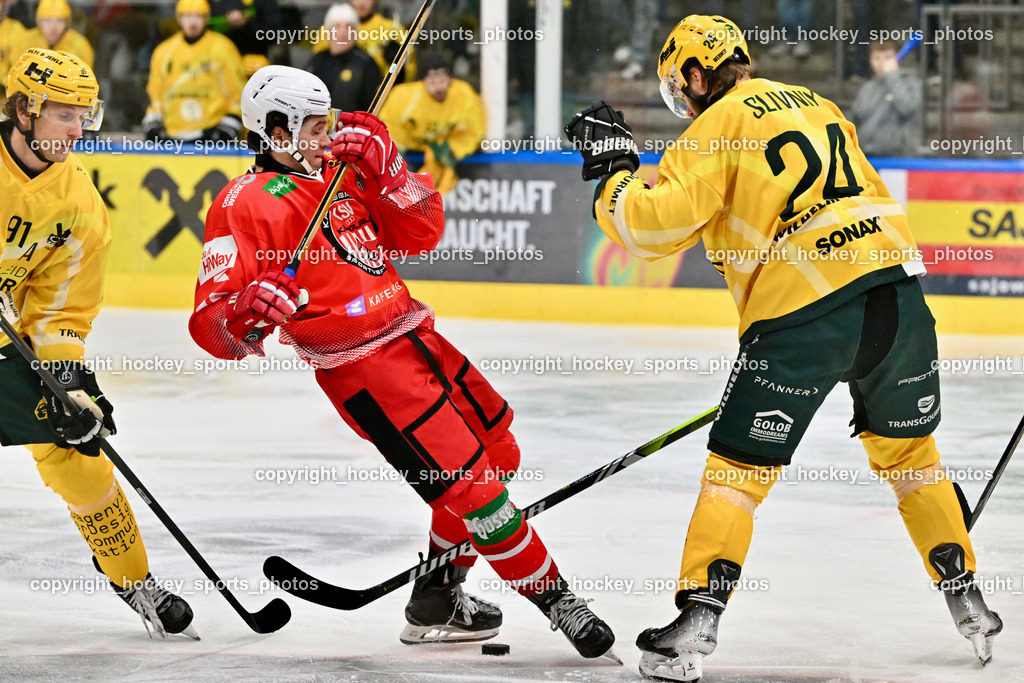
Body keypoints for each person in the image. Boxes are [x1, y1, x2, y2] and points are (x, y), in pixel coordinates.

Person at [565, 14, 1001, 682]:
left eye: (681, 87)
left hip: (803, 313)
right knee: (914, 456)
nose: (682, 101)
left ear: (695, 73)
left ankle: (699, 616)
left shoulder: (716, 125)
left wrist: (614, 171)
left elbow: (653, 228)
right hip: (900, 299)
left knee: (737, 473)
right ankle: (964, 587)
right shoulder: (818, 102)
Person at [188, 65, 616, 660]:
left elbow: (423, 234)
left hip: (417, 338)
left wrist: (388, 168)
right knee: (476, 491)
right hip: (364, 372)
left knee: (499, 452)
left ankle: (438, 597)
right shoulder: (243, 203)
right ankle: (558, 601)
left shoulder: (343, 175)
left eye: (327, 121)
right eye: (313, 125)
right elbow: (212, 328)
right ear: (276, 129)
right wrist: (245, 310)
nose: (326, 134)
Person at [1, 48, 196, 639]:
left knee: (76, 451)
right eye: (63, 112)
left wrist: (70, 384)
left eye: (84, 113)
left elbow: (62, 309)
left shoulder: (80, 204)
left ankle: (133, 579)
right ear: (23, 110)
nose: (78, 127)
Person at [379, 53, 484, 194]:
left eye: (443, 80)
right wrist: (397, 158)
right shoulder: (403, 97)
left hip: (442, 152)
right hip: (412, 152)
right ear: (422, 81)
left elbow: (476, 130)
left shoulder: (464, 95)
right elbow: (388, 127)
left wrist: (454, 149)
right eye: (433, 82)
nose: (439, 88)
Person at [142, 0, 244, 143]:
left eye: (198, 16)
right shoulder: (164, 51)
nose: (193, 22)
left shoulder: (223, 48)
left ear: (206, 18)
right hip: (171, 131)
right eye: (187, 16)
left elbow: (236, 91)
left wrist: (231, 120)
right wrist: (154, 120)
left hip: (211, 131)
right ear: (179, 18)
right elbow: (155, 93)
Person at [849, 40, 923, 157]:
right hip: (869, 156)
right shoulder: (867, 89)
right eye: (877, 58)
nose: (882, 62)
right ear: (870, 61)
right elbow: (855, 119)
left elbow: (906, 106)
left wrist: (892, 76)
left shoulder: (911, 83)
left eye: (888, 57)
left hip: (901, 158)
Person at [304, 3, 380, 113]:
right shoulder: (317, 60)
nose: (342, 33)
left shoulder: (366, 64)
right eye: (337, 26)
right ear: (328, 30)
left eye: (349, 27)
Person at [207, 0, 282, 78]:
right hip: (219, 63)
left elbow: (273, 34)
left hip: (255, 63)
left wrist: (246, 25)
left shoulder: (264, 3)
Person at [349, 0, 415, 83]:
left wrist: (399, 68)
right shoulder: (334, 28)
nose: (361, 3)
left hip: (382, 91)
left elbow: (410, 68)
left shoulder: (392, 28)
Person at [13, 0, 93, 66]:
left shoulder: (80, 45)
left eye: (59, 21)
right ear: (39, 22)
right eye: (47, 20)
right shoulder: (24, 41)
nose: (53, 28)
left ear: (67, 22)